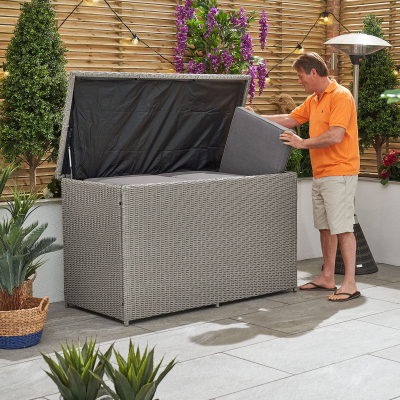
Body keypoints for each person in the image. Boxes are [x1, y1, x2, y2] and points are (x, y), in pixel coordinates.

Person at [246, 52, 360, 302]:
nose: (299, 81)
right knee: (325, 227)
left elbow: (336, 135)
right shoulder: (314, 99)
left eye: (300, 76)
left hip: (340, 171)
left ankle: (349, 283)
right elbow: (290, 119)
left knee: (342, 228)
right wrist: (254, 118)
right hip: (322, 173)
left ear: (314, 73)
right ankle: (328, 277)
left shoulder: (340, 96)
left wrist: (302, 143)